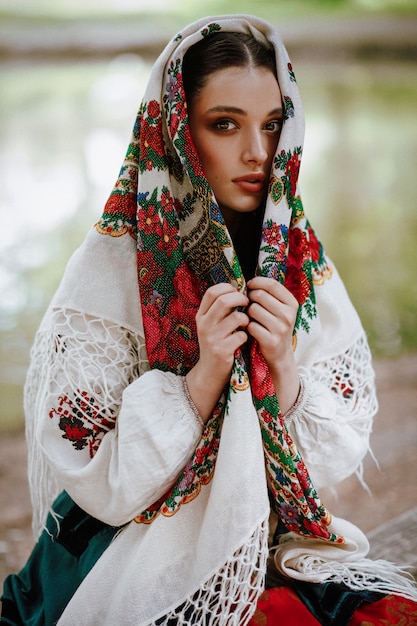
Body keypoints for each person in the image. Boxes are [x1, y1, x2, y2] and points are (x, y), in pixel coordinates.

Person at [2, 14, 417, 626]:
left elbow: (336, 447)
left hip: (271, 540)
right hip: (126, 546)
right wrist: (201, 379)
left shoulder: (295, 255)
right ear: (176, 129)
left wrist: (283, 368)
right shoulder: (113, 263)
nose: (258, 152)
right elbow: (98, 480)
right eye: (225, 124)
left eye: (274, 126)